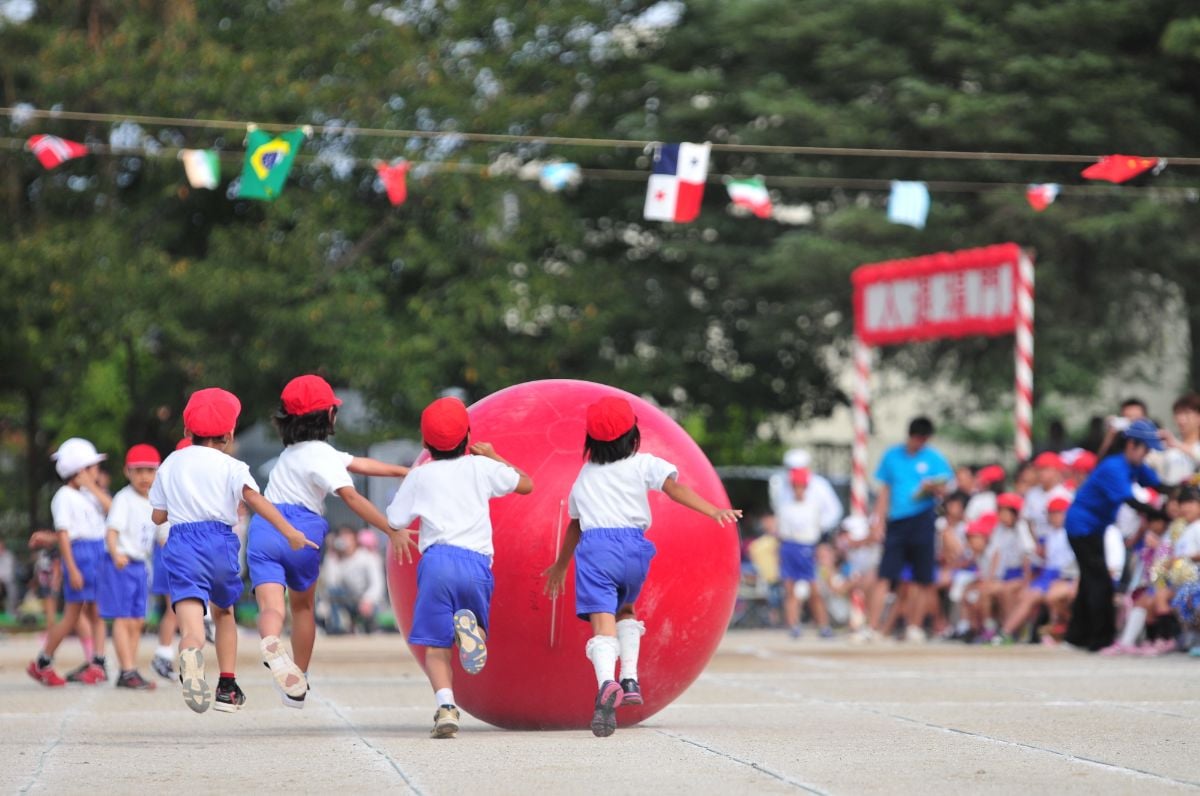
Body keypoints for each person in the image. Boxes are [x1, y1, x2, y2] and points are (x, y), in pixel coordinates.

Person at [543, 396, 740, 738]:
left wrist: (561, 565)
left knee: (602, 620)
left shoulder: (586, 475)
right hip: (635, 550)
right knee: (627, 609)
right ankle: (630, 679)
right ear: (633, 436)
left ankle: (607, 683)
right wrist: (712, 510)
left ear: (590, 441)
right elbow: (674, 489)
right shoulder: (644, 463)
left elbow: (575, 523)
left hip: (597, 548)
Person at [247, 375, 411, 708]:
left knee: (272, 607)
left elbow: (359, 463)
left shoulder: (290, 453)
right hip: (303, 531)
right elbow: (350, 496)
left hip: (265, 525)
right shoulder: (324, 454)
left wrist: (401, 471)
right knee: (303, 607)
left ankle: (269, 641)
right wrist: (390, 528)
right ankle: (298, 680)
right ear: (328, 416)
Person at [149, 387, 316, 714]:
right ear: (228, 434)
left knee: (193, 626)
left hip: (181, 543)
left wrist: (179, 508)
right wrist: (289, 531)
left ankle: (190, 654)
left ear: (186, 431)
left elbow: (157, 516)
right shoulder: (232, 466)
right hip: (219, 543)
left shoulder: (171, 463)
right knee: (224, 612)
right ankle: (227, 685)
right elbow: (254, 499)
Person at [385, 396, 533, 739]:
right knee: (476, 624)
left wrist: (397, 532)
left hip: (437, 563)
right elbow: (526, 484)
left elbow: (395, 519)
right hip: (476, 563)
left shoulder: (420, 476)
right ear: (468, 436)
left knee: (436, 648)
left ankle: (447, 707)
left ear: (424, 443)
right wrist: (494, 457)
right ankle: (473, 634)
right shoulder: (480, 468)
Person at [1065, 417, 1163, 651]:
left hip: (1094, 527)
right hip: (1082, 527)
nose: (1146, 454)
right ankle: (1101, 639)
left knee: (1090, 581)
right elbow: (1130, 501)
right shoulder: (1114, 466)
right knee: (1099, 582)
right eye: (1145, 449)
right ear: (1131, 445)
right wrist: (1162, 514)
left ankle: (1077, 636)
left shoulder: (1134, 466)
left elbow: (1158, 485)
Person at [27, 438, 112, 687]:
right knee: (72, 616)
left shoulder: (90, 494)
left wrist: (91, 485)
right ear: (79, 470)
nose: (97, 470)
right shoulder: (63, 497)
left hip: (98, 553)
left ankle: (98, 663)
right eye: (92, 466)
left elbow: (113, 510)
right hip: (81, 556)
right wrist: (72, 568)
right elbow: (65, 535)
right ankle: (42, 662)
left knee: (97, 613)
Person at [865, 416, 954, 643]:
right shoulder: (892, 456)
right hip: (897, 521)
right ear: (910, 436)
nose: (920, 443)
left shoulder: (934, 458)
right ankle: (872, 628)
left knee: (922, 578)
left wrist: (934, 488)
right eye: (917, 438)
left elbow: (946, 489)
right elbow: (884, 490)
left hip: (923, 519)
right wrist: (878, 521)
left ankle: (914, 626)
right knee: (885, 575)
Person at [98, 444, 165, 690]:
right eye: (138, 471)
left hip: (140, 565)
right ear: (127, 472)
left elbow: (161, 534)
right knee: (123, 618)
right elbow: (112, 531)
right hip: (122, 562)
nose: (144, 476)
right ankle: (127, 670)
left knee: (137, 620)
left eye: (149, 470)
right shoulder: (124, 498)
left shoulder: (155, 501)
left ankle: (130, 668)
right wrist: (115, 553)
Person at [999, 495, 1077, 643]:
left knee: (1029, 596)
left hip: (1064, 576)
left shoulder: (1072, 532)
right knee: (1021, 595)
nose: (1052, 517)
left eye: (1056, 513)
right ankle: (1013, 631)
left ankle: (1007, 632)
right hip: (1046, 575)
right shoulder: (1051, 535)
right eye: (1051, 513)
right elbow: (1043, 560)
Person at [149, 437, 194, 680]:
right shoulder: (174, 487)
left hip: (175, 552)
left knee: (177, 609)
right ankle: (163, 654)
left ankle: (167, 653)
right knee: (173, 609)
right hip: (172, 553)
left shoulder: (170, 481)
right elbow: (162, 528)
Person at [775, 466, 831, 639]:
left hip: (807, 548)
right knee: (790, 589)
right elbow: (782, 532)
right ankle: (793, 624)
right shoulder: (784, 506)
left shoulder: (813, 506)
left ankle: (823, 625)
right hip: (790, 547)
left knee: (814, 589)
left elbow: (816, 531)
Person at [977, 493, 1034, 643]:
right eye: (1000, 511)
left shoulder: (1022, 528)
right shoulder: (999, 529)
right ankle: (990, 629)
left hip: (1021, 574)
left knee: (1007, 591)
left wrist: (1026, 583)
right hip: (1006, 574)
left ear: (1014, 513)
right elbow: (996, 554)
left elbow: (1026, 556)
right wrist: (990, 578)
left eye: (1005, 512)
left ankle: (1010, 631)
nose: (1002, 516)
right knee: (985, 590)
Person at [322, 526, 389, 635]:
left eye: (347, 537)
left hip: (368, 601)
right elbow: (331, 584)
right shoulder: (336, 558)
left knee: (371, 623)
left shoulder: (368, 557)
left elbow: (377, 584)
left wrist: (368, 600)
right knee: (333, 592)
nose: (344, 540)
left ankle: (371, 627)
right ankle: (338, 629)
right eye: (341, 537)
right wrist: (331, 556)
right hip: (348, 600)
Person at [769, 448, 843, 537]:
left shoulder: (820, 484)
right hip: (788, 537)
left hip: (816, 538)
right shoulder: (780, 485)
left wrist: (816, 527)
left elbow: (835, 511)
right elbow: (779, 510)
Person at [1157, 393, 1200, 486]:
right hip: (1171, 497)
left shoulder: (1174, 443)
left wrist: (1176, 444)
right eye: (1177, 414)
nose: (1181, 419)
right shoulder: (1168, 446)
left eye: (1186, 413)